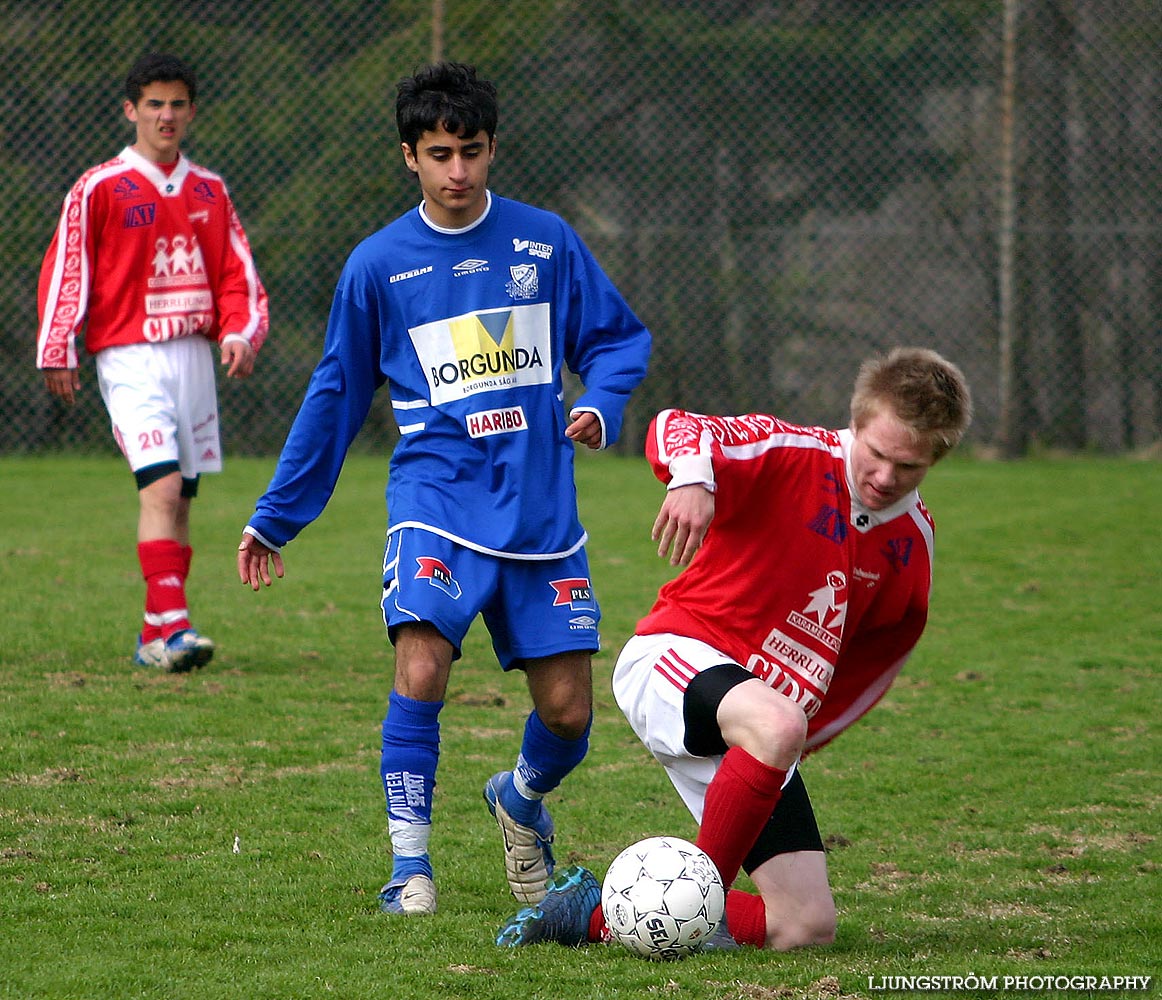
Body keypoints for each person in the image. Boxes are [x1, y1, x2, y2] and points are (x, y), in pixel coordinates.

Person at [236, 61, 651, 916]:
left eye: (471, 151)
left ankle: (520, 797)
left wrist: (603, 408)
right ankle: (409, 872)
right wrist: (277, 516)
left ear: (493, 147)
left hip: (542, 514)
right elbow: (336, 395)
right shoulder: (378, 266)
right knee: (421, 665)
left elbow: (616, 342)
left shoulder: (546, 242)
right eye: (439, 154)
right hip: (436, 501)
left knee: (569, 715)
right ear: (409, 157)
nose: (457, 172)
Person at [497, 346, 972, 950]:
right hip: (675, 658)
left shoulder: (912, 545)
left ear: (936, 457)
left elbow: (875, 664)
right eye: (876, 454)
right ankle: (701, 897)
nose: (884, 477)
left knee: (805, 927)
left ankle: (585, 916)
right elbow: (678, 426)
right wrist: (693, 477)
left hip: (761, 733)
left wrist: (800, 738)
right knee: (775, 722)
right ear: (856, 423)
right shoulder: (791, 451)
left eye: (907, 467)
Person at [36, 52, 269, 673]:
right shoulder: (100, 186)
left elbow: (234, 275)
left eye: (177, 104)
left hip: (192, 355)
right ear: (130, 110)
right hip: (128, 354)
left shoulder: (208, 190)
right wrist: (58, 345)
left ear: (192, 112)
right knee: (161, 486)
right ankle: (177, 628)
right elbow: (69, 269)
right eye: (154, 104)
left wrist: (241, 333)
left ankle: (152, 633)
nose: (166, 115)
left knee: (181, 499)